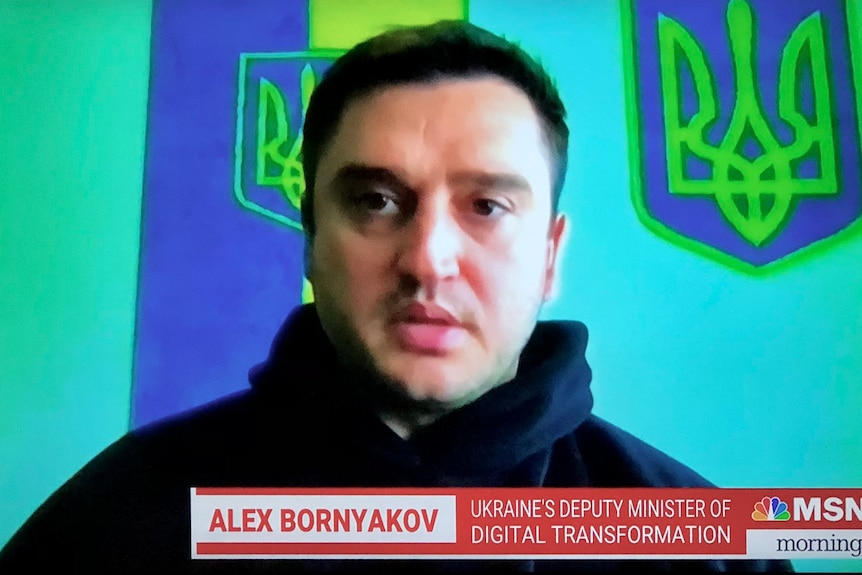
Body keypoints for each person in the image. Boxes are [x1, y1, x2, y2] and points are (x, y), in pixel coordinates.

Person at [0, 20, 792, 573]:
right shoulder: (121, 522)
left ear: (549, 256)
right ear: (311, 237)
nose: (427, 259)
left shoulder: (708, 545)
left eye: (486, 205)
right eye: (377, 200)